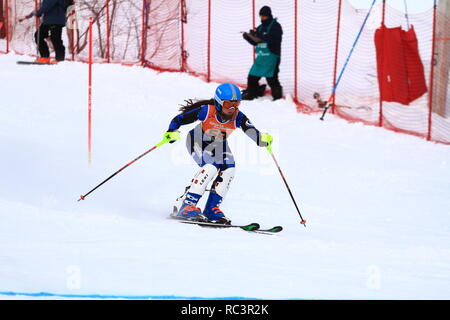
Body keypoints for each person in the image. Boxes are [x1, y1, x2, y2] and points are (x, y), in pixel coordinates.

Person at [164, 83, 273, 224]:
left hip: (219, 145)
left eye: (236, 104)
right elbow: (179, 119)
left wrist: (262, 139)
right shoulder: (207, 111)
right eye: (228, 104)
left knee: (229, 168)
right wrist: (171, 132)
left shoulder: (238, 116)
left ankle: (211, 209)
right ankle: (187, 206)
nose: (232, 109)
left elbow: (252, 131)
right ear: (219, 102)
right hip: (197, 141)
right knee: (211, 166)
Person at [242, 6, 283, 101]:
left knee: (272, 79)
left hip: (272, 57)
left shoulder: (276, 26)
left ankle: (278, 98)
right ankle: (252, 94)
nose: (262, 18)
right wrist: (249, 37)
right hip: (261, 58)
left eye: (264, 16)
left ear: (269, 15)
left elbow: (274, 39)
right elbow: (256, 42)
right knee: (252, 77)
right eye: (261, 16)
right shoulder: (260, 28)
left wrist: (260, 35)